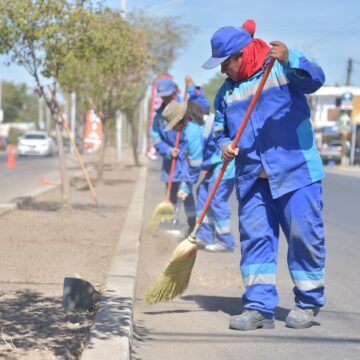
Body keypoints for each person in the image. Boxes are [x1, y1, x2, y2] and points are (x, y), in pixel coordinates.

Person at [202, 19, 326, 330]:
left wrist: (292, 58)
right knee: (256, 241)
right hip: (253, 179)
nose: (221, 71)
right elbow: (219, 131)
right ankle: (259, 307)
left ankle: (308, 303)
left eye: (225, 63)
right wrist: (224, 146)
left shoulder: (280, 70)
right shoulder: (225, 94)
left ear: (241, 54)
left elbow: (316, 80)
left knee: (304, 237)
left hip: (297, 173)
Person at [162, 98, 236, 252]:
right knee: (202, 193)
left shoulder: (192, 129)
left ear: (179, 121)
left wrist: (187, 185)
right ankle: (205, 236)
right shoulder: (196, 122)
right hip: (217, 162)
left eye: (173, 126)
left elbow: (195, 163)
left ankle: (226, 241)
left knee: (216, 199)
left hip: (225, 163)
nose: (174, 130)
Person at [152, 77, 196, 234]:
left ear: (174, 92)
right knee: (170, 193)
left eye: (167, 94)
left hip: (185, 159)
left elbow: (192, 130)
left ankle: (192, 224)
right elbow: (156, 138)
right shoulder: (158, 116)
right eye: (162, 95)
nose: (165, 98)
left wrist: (187, 150)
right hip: (170, 159)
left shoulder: (184, 106)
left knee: (186, 191)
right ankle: (170, 221)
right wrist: (168, 151)